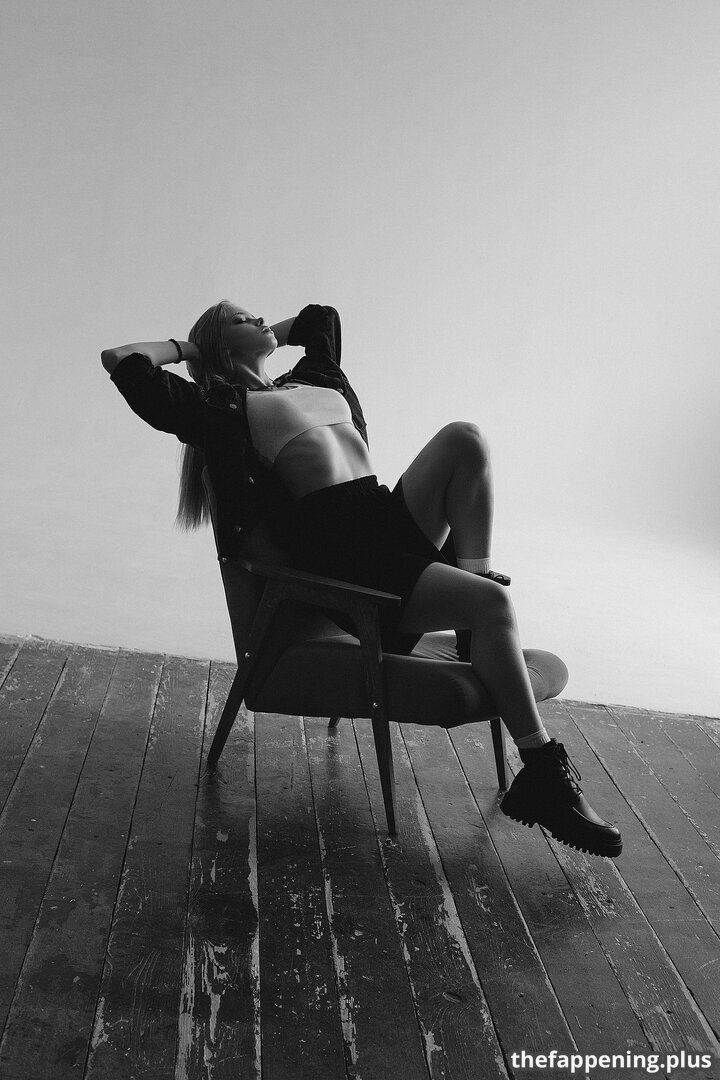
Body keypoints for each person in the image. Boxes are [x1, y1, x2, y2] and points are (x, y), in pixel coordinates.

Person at [101, 301, 622, 858]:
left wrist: (257, 334)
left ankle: (472, 607)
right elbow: (121, 359)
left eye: (257, 315)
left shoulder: (313, 377)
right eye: (241, 318)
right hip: (344, 555)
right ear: (219, 344)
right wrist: (193, 350)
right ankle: (542, 769)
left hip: (383, 517)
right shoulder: (223, 407)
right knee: (492, 602)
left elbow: (319, 318)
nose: (258, 319)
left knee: (464, 438)